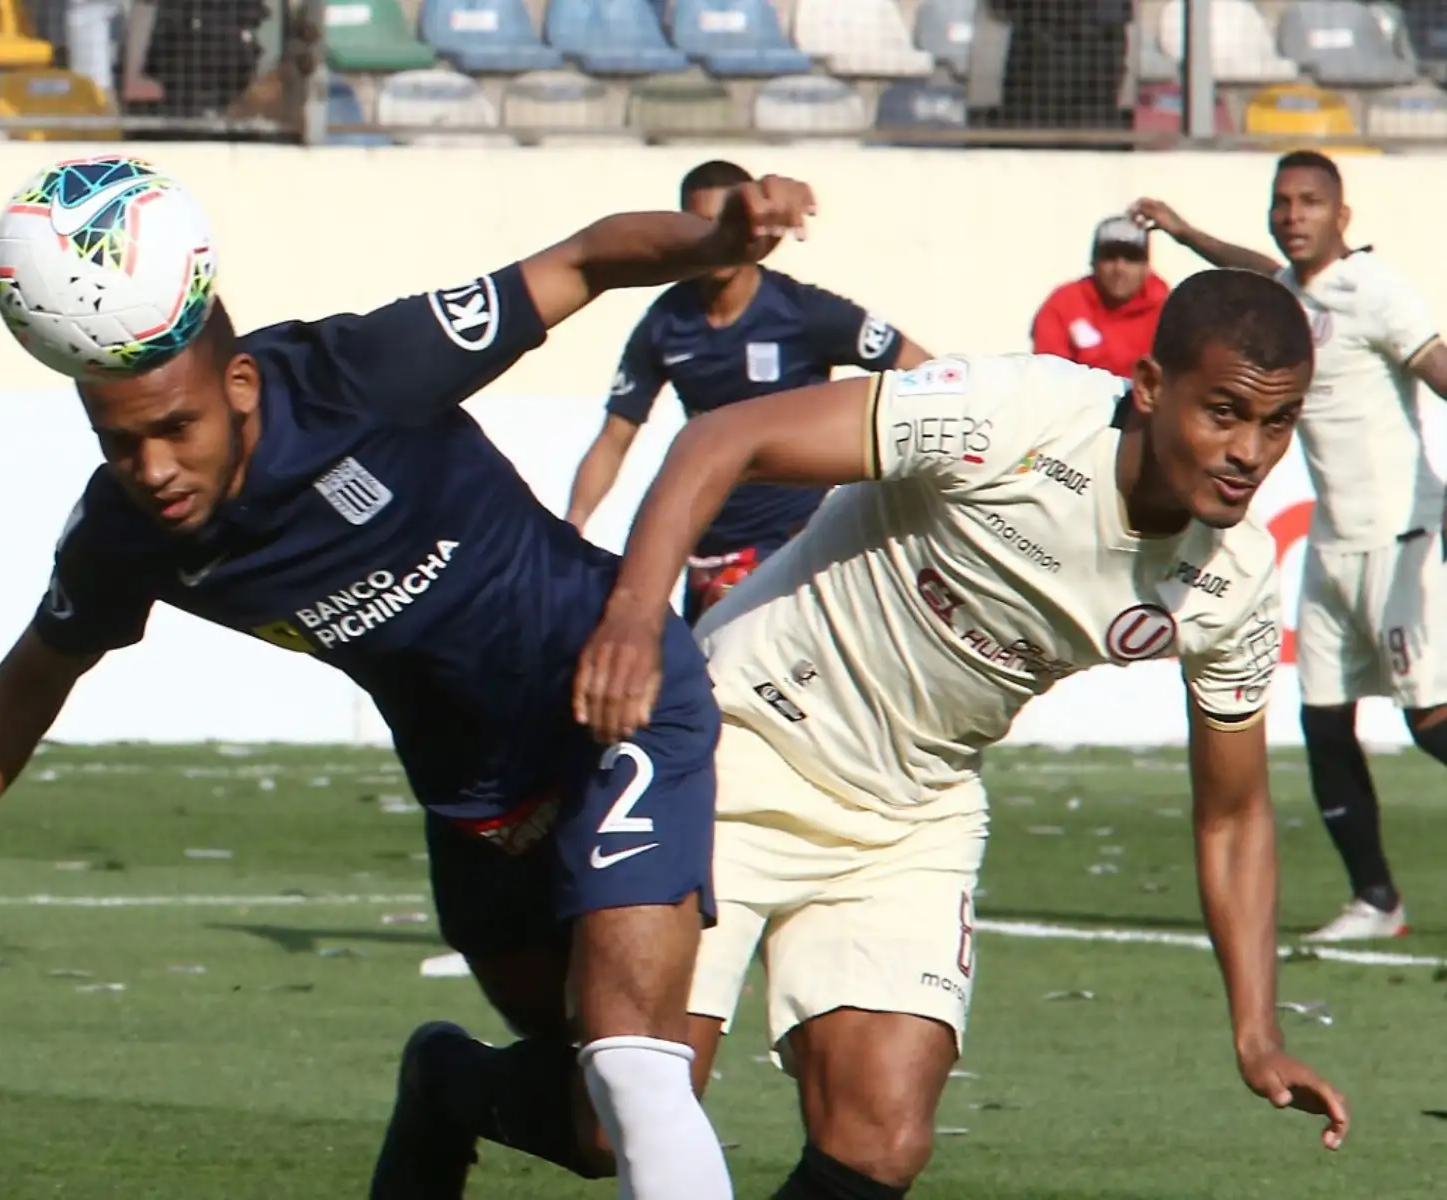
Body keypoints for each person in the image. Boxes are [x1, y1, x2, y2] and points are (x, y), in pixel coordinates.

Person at [0, 173, 828, 1200]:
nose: (151, 468)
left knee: (637, 1072)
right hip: (474, 804)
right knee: (596, 1124)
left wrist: (711, 244)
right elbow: (23, 690)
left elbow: (583, 259)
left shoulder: (360, 373)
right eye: (119, 444)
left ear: (239, 387)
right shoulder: (125, 535)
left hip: (616, 701)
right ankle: (446, 1086)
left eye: (173, 428)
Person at [572, 268, 1350, 1199]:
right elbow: (721, 438)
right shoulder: (1016, 414)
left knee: (881, 1141)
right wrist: (631, 616)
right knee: (619, 1125)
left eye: (1277, 423)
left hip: (908, 816)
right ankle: (452, 1086)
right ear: (1148, 386)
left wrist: (1257, 1030)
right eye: (1223, 412)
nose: (1248, 452)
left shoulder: (1234, 581)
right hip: (740, 747)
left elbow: (1234, 816)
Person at [1133, 150, 1447, 942]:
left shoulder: (1371, 289)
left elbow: (1438, 364)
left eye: (1310, 202)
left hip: (1401, 537)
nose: (1293, 214)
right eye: (1282, 202)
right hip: (1333, 545)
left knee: (1432, 720)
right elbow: (1256, 271)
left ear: (1342, 217)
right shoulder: (1289, 294)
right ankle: (1376, 901)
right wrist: (1181, 231)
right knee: (1323, 719)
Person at [566, 159, 929, 623]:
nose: (719, 235)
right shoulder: (665, 324)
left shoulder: (803, 312)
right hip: (705, 543)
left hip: (797, 539)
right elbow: (615, 437)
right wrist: (574, 521)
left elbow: (920, 371)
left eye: (728, 220)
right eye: (701, 224)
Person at [1030, 214, 1170, 379]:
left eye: (1131, 258)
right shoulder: (1064, 304)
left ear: (1147, 266)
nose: (1119, 269)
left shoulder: (1168, 309)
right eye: (1109, 257)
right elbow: (1050, 377)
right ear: (1093, 262)